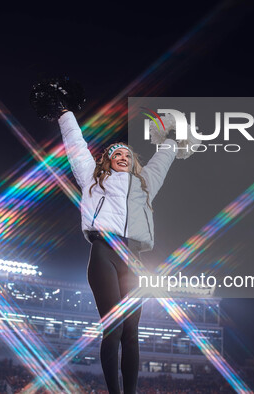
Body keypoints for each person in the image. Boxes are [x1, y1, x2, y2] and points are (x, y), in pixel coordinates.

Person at [56, 108, 177, 393]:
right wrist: (65, 114)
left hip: (133, 259)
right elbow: (76, 146)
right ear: (107, 161)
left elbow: (162, 160)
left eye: (127, 155)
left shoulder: (144, 185)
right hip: (104, 251)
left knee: (132, 334)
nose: (123, 158)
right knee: (114, 328)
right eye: (117, 155)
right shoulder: (92, 180)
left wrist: (174, 141)